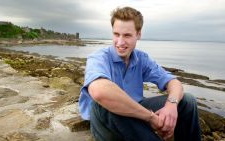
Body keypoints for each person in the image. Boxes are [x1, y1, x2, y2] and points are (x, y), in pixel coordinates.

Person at [79, 6, 201, 141]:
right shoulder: (99, 57)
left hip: (136, 114)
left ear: (138, 35)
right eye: (116, 34)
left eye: (127, 35)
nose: (120, 42)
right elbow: (99, 92)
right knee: (106, 102)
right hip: (106, 122)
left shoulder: (141, 59)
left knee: (187, 101)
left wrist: (171, 105)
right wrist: (151, 118)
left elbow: (174, 82)